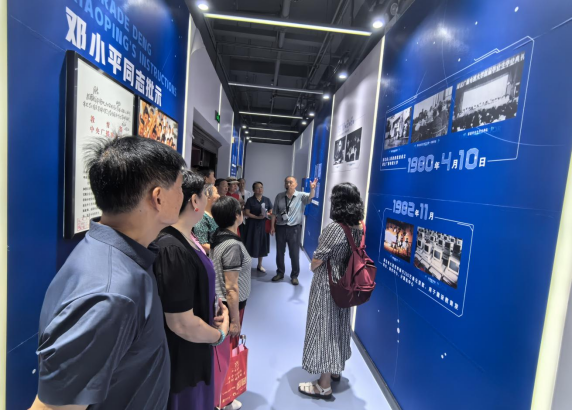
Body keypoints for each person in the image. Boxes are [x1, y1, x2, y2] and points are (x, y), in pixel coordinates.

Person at [30, 137, 187, 410]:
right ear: (158, 198)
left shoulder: (117, 254)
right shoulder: (113, 293)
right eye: (180, 187)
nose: (183, 195)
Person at [153, 171, 230, 411]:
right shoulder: (171, 248)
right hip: (183, 357)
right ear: (194, 200)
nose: (209, 200)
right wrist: (219, 335)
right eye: (206, 194)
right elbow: (181, 324)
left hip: (198, 345)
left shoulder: (188, 237)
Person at [299, 183, 365, 400]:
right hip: (346, 284)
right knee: (339, 325)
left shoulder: (335, 229)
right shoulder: (359, 227)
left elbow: (316, 262)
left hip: (328, 285)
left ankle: (323, 385)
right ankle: (335, 369)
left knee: (324, 328)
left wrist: (314, 264)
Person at [210, 196, 252, 411]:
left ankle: (221, 396)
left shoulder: (218, 237)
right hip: (230, 306)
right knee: (226, 350)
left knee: (222, 351)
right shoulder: (232, 245)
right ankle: (223, 399)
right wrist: (235, 321)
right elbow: (232, 287)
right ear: (237, 215)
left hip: (223, 304)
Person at [271, 176, 317, 286]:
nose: (288, 184)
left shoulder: (301, 196)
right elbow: (274, 213)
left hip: (294, 228)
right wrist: (272, 226)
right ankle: (280, 273)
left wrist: (312, 189)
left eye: (291, 182)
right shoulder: (279, 196)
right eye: (286, 182)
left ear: (296, 184)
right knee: (279, 252)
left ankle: (294, 275)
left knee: (294, 253)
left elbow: (310, 197)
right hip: (280, 227)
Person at [244, 182, 273, 273]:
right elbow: (247, 213)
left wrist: (266, 214)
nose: (260, 189)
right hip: (252, 225)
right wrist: (257, 217)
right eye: (257, 188)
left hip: (263, 225)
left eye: (261, 187)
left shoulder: (267, 200)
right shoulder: (250, 200)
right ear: (253, 190)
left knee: (262, 243)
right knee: (250, 243)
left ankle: (259, 265)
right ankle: (247, 265)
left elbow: (271, 212)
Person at [193, 184, 220, 255]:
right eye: (216, 193)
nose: (219, 196)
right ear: (208, 195)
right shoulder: (201, 218)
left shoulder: (215, 214)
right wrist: (222, 251)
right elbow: (202, 244)